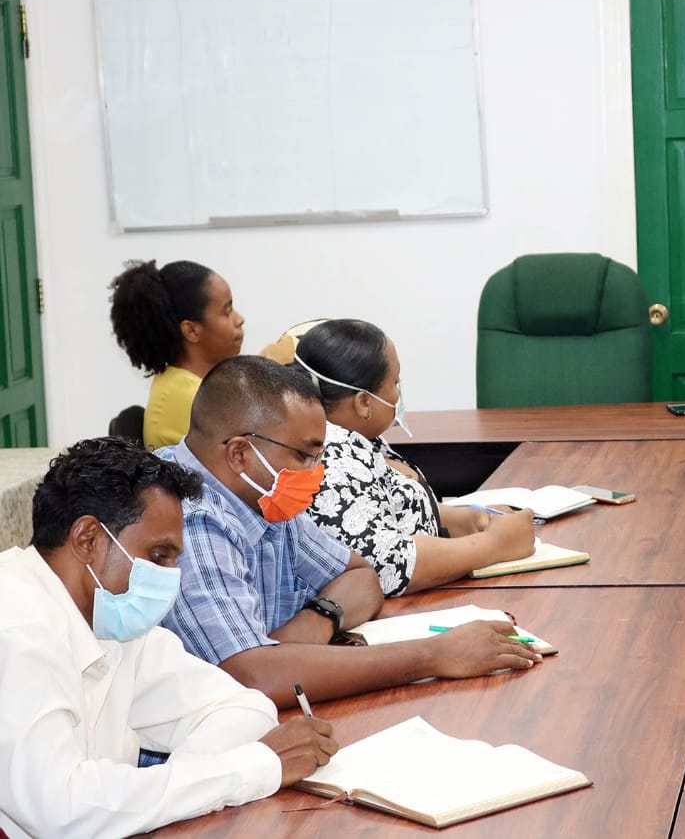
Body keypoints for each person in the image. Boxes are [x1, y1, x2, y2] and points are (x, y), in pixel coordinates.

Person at [157, 356, 542, 708]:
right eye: (305, 455)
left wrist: (314, 623)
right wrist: (434, 655)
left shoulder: (261, 491)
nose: (316, 472)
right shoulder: (187, 518)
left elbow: (360, 577)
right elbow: (251, 677)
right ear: (240, 453)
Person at [0, 438, 338, 838]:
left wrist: (177, 791)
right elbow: (62, 810)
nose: (169, 576)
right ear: (88, 539)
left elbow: (245, 708)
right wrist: (246, 771)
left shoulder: (110, 616)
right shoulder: (18, 627)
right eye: (159, 556)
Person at [291, 319, 536, 595]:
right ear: (363, 403)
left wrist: (468, 520)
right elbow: (387, 566)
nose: (398, 394)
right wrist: (496, 545)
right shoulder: (332, 456)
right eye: (394, 382)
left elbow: (384, 507)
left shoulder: (356, 437)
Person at [109, 260, 246, 450]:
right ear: (191, 331)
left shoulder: (185, 383)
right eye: (227, 311)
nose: (240, 319)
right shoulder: (192, 398)